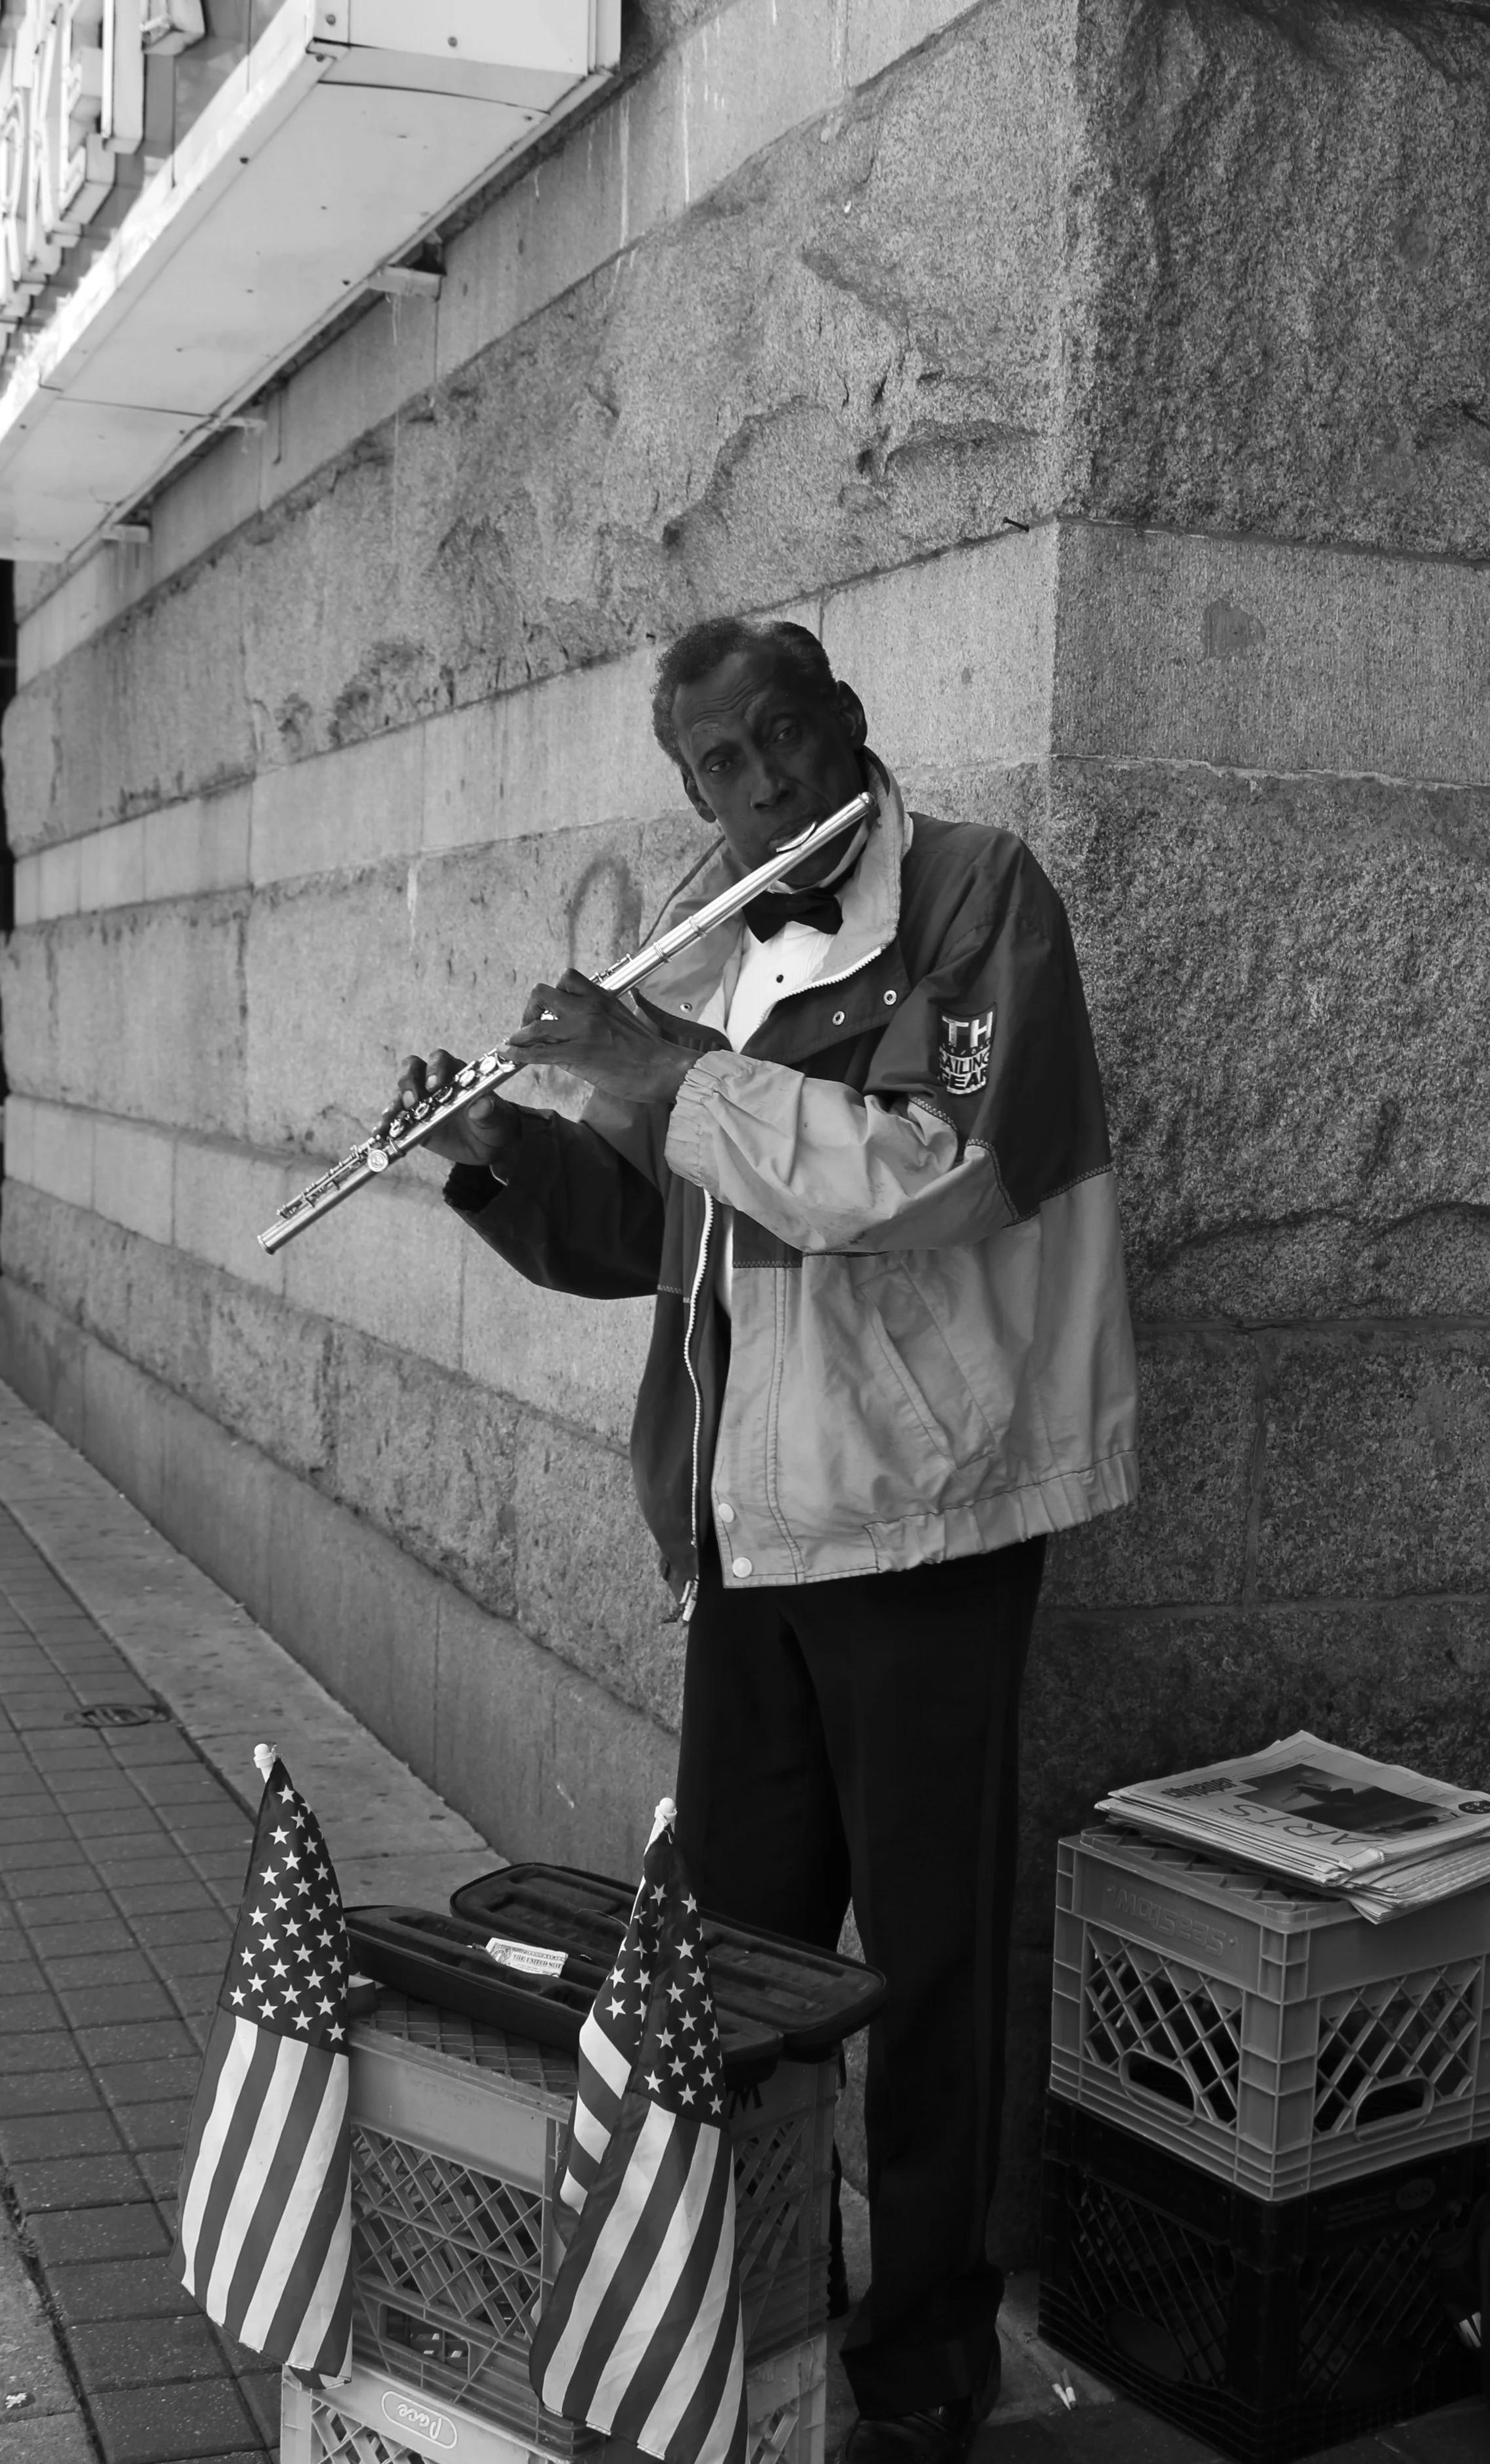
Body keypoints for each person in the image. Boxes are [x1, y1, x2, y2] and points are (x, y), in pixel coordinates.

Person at [388, 618, 1138, 2464]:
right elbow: (656, 1232)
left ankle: (925, 2364)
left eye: (778, 743)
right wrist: (489, 1150)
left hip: (928, 1524)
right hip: (751, 1538)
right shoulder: (716, 949)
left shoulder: (980, 897)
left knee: (930, 1966)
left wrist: (664, 1078)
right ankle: (748, 2311)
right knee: (732, 1958)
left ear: (847, 729)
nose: (756, 791)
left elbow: (930, 1172)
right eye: (715, 768)